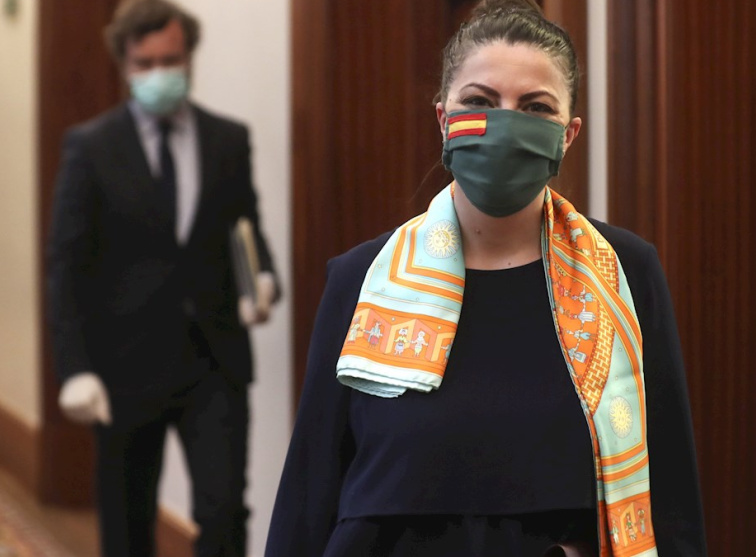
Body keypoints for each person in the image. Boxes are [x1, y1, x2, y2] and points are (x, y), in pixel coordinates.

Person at [265, 1, 705, 556]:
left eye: (535, 107)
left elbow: (670, 489)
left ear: (568, 135)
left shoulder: (625, 272)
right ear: (444, 120)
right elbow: (310, 491)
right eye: (479, 102)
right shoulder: (362, 279)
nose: (504, 124)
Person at [46, 1, 279, 556]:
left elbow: (246, 230)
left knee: (224, 513)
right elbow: (65, 264)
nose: (159, 74)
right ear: (125, 66)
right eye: (145, 64)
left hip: (214, 360)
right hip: (124, 367)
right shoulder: (91, 147)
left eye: (170, 61)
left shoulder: (228, 140)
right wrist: (74, 368)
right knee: (127, 522)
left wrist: (264, 280)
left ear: (190, 58)